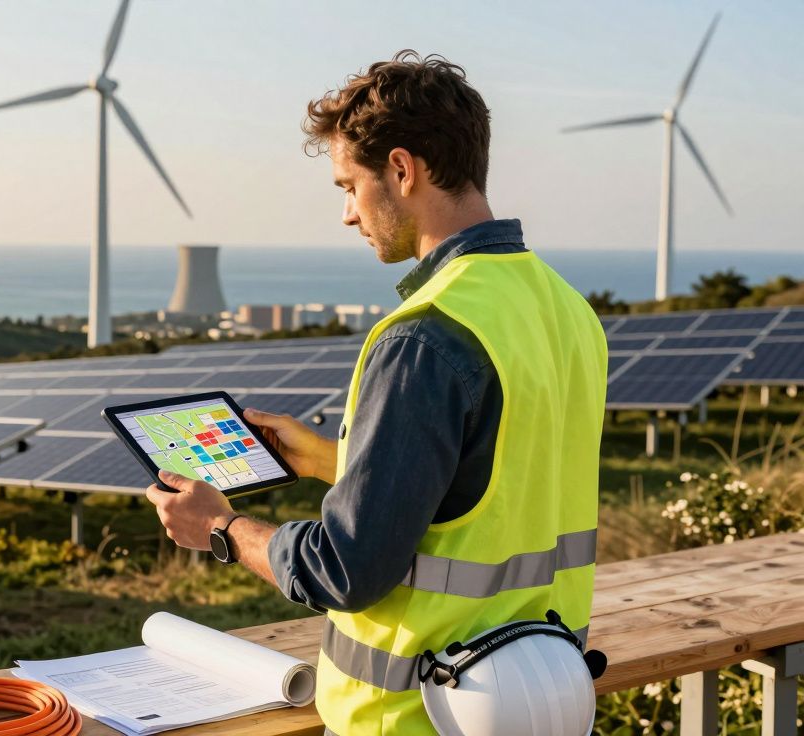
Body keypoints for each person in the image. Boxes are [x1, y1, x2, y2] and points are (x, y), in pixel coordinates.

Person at [146, 50, 607, 735]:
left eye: (347, 186)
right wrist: (334, 461)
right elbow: (500, 487)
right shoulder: (567, 311)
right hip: (537, 700)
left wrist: (220, 529)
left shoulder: (424, 338)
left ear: (401, 169)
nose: (346, 214)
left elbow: (346, 570)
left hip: (413, 715)